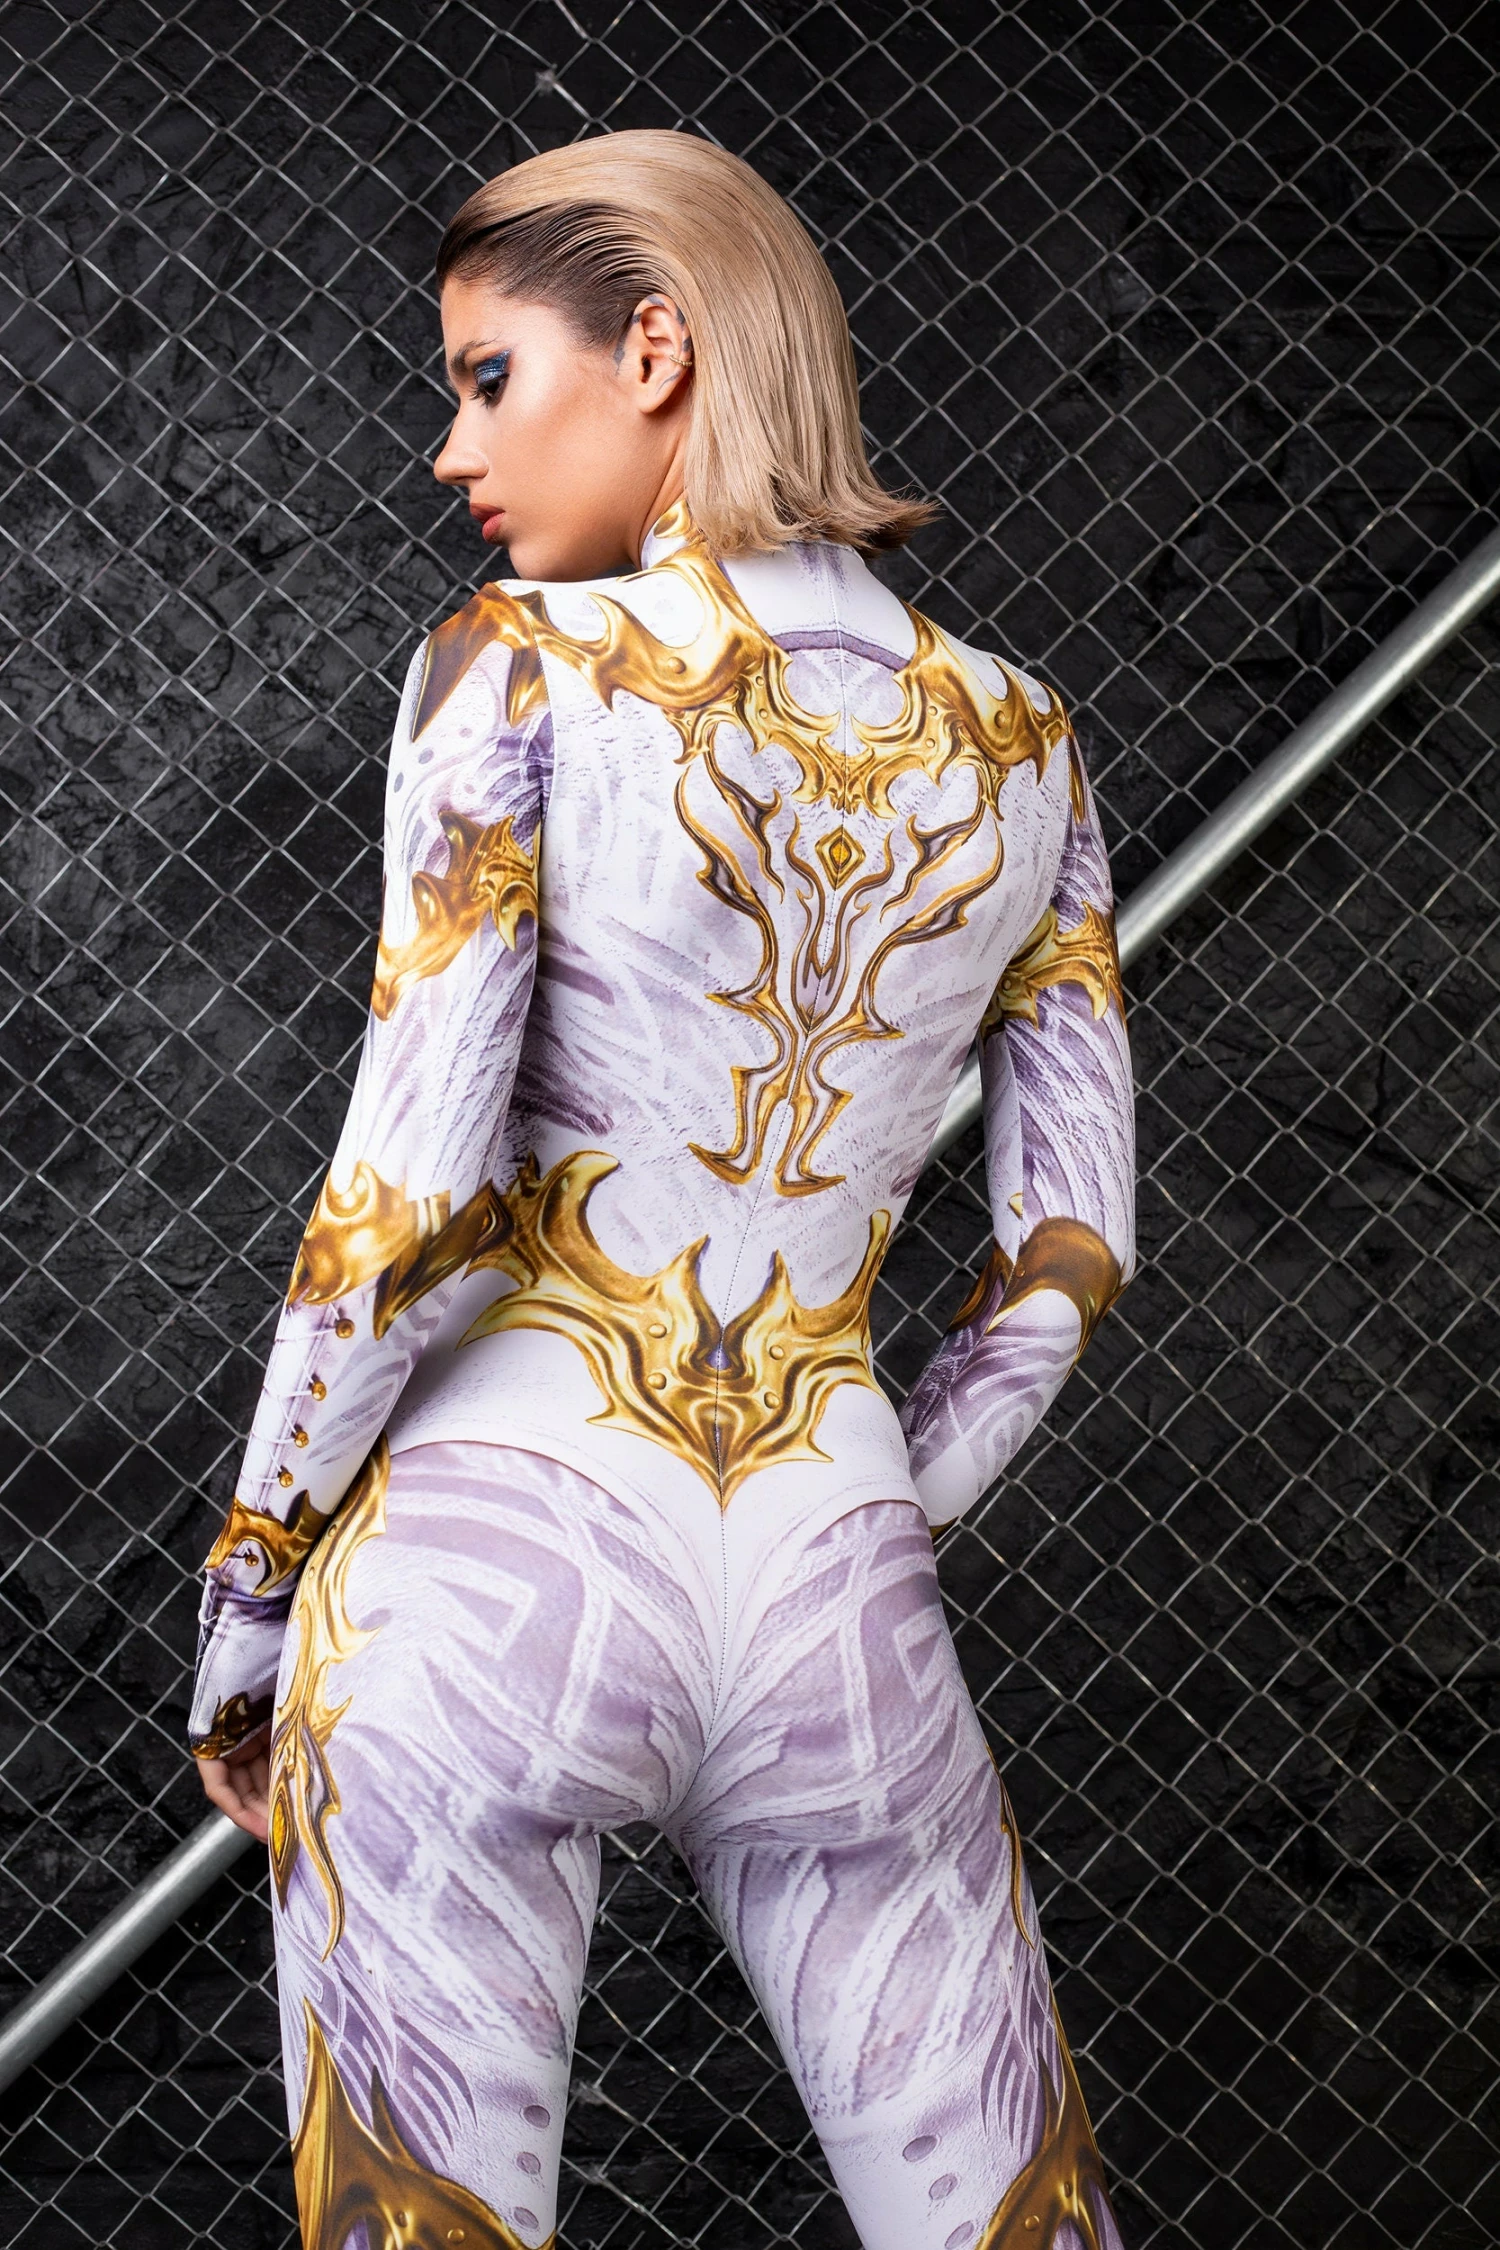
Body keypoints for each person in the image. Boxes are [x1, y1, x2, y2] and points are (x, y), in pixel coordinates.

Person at [190, 130, 1136, 2250]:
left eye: (484, 379)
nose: (452, 450)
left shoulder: (513, 668)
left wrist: (250, 1598)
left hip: (479, 1574)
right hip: (832, 1579)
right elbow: (1069, 1242)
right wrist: (883, 1493)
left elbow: (406, 1195)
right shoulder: (1024, 741)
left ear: (655, 347)